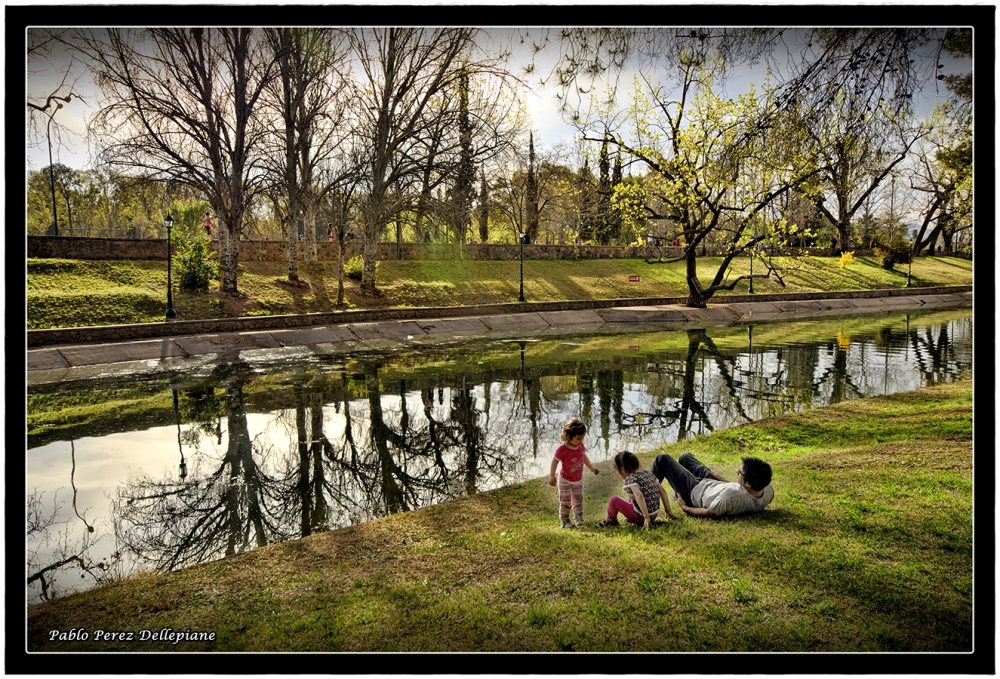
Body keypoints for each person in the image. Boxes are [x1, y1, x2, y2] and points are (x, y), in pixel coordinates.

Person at [651, 452, 773, 518]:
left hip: (695, 492)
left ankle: (644, 500)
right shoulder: (767, 490)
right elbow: (740, 490)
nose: (736, 472)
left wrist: (685, 507)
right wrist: (720, 478)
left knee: (662, 459)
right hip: (713, 484)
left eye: (739, 472)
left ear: (747, 483)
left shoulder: (730, 496)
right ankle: (676, 488)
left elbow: (709, 513)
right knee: (685, 457)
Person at [596, 451, 676, 530]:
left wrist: (646, 517)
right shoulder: (648, 473)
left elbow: (639, 495)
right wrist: (668, 511)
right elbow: (662, 491)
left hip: (642, 517)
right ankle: (633, 516)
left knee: (613, 500)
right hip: (654, 514)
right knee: (631, 493)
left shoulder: (631, 478)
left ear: (622, 470)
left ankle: (611, 519)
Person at [548, 418, 599, 528]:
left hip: (578, 480)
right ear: (569, 436)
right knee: (565, 501)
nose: (581, 441)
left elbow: (583, 456)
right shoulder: (562, 449)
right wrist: (552, 475)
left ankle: (578, 518)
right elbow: (554, 461)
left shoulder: (580, 446)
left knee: (578, 499)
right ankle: (565, 520)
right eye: (578, 438)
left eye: (582, 438)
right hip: (565, 480)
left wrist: (591, 468)